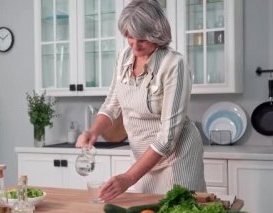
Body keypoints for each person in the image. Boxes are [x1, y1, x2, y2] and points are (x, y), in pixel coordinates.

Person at [75, 0, 206, 202]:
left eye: (142, 39)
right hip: (142, 158)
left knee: (175, 206)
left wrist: (128, 178)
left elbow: (167, 139)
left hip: (176, 157)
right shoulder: (124, 57)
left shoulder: (173, 64)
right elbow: (112, 104)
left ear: (157, 35)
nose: (134, 45)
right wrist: (94, 132)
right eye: (129, 36)